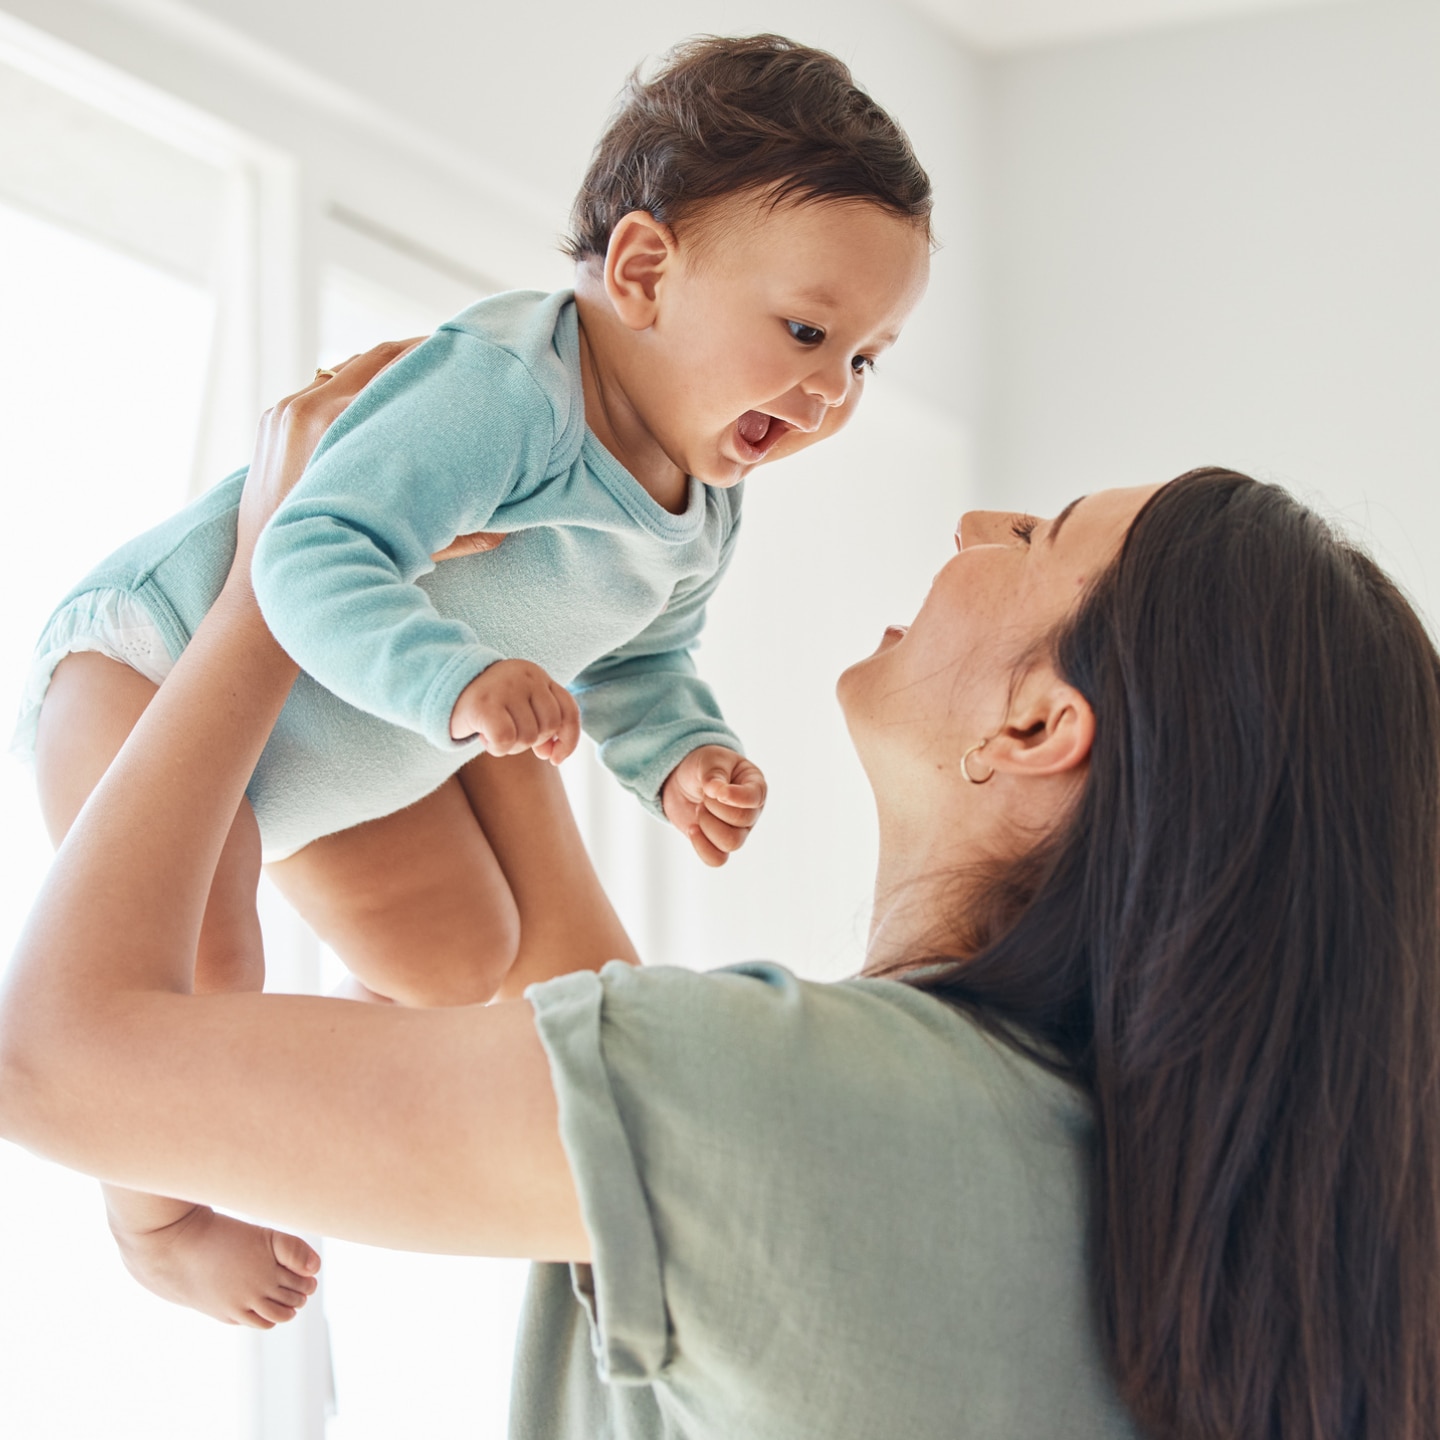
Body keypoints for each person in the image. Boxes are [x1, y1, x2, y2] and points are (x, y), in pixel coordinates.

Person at [4, 355, 1439, 1440]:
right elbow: (573, 988)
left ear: (1036, 730)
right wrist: (477, 624)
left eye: (1040, 535)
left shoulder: (799, 1104)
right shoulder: (1102, 1186)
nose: (980, 516)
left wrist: (276, 570)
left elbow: (57, 1063)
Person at [8, 33, 933, 1325]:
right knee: (204, 977)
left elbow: (643, 657)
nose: (831, 390)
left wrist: (678, 756)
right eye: (807, 331)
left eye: (864, 360)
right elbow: (312, 547)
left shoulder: (703, 506)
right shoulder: (509, 392)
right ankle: (152, 1220)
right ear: (645, 269)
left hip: (347, 737)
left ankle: (316, 1085)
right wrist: (459, 683)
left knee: (460, 956)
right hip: (157, 665)